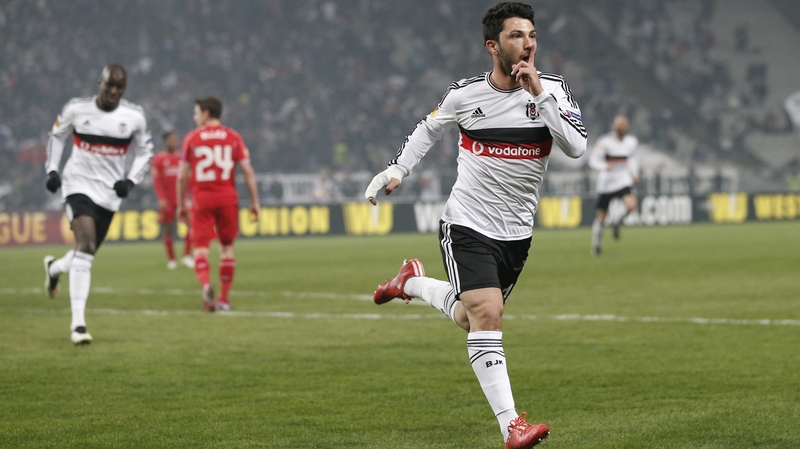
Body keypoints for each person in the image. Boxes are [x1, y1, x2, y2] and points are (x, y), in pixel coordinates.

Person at [364, 3, 587, 448]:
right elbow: (428, 129)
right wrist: (397, 170)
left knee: (471, 317)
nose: (527, 43)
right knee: (488, 314)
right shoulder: (466, 95)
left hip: (516, 234)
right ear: (493, 46)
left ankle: (411, 283)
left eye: (532, 35)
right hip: (466, 223)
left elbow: (576, 147)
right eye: (516, 36)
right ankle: (512, 427)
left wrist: (539, 95)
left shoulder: (554, 91)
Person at [43, 64, 154, 345]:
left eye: (120, 88)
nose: (114, 92)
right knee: (87, 245)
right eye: (110, 86)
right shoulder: (76, 109)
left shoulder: (134, 116)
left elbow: (145, 152)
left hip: (109, 194)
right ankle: (78, 325)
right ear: (99, 83)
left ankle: (54, 268)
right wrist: (52, 169)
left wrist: (130, 181)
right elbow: (57, 135)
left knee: (85, 254)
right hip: (77, 185)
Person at [176, 97, 259, 312]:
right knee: (227, 249)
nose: (194, 117)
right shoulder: (233, 137)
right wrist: (255, 202)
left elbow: (182, 177)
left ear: (205, 113)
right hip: (227, 198)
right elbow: (248, 171)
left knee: (201, 249)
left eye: (196, 113)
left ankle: (206, 285)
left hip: (202, 199)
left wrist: (180, 204)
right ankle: (223, 299)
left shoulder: (192, 138)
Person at [588, 115, 640, 256]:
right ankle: (596, 246)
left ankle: (616, 222)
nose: (622, 128)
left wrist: (635, 173)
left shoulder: (631, 142)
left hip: (623, 179)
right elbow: (593, 160)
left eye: (624, 125)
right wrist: (604, 166)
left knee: (631, 205)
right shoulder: (604, 142)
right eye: (619, 125)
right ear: (614, 126)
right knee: (602, 217)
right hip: (607, 183)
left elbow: (632, 159)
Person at [151, 131, 194, 269]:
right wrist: (161, 197)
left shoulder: (182, 157)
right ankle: (172, 259)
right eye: (171, 139)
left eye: (176, 139)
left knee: (191, 225)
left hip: (182, 198)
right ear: (165, 141)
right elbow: (156, 181)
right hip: (167, 200)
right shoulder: (158, 160)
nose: (174, 142)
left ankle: (187, 255)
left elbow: (189, 178)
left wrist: (192, 194)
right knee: (168, 229)